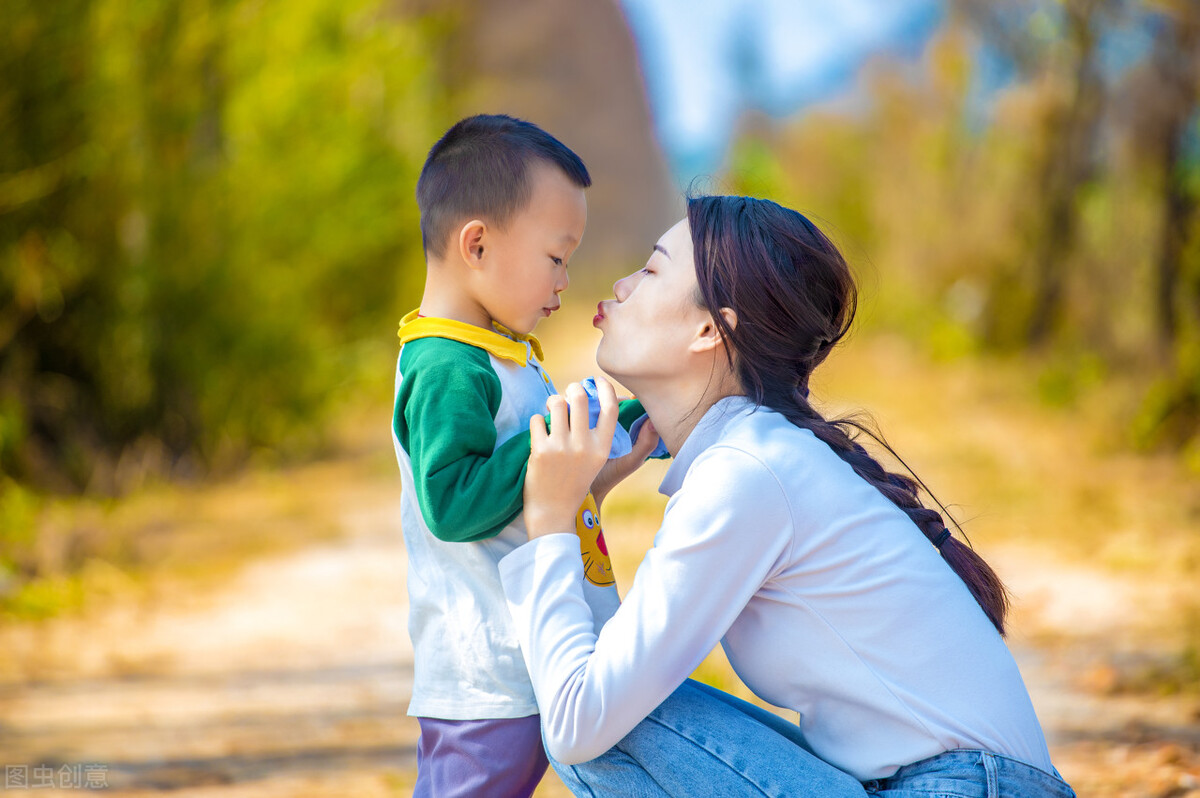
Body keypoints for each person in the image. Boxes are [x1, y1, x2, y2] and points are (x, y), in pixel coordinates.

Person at [499, 195, 1077, 797]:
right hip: (954, 784)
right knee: (595, 704)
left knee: (600, 724)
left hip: (963, 788)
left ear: (709, 329)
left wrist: (551, 518)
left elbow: (578, 721)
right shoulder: (756, 455)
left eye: (650, 270)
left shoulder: (747, 472)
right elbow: (592, 684)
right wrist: (580, 507)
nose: (620, 287)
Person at [391, 114, 658, 797]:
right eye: (556, 257)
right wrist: (553, 437)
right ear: (477, 245)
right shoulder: (447, 366)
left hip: (536, 661)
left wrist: (649, 416)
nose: (565, 281)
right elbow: (452, 503)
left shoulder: (498, 352)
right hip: (489, 679)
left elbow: (544, 460)